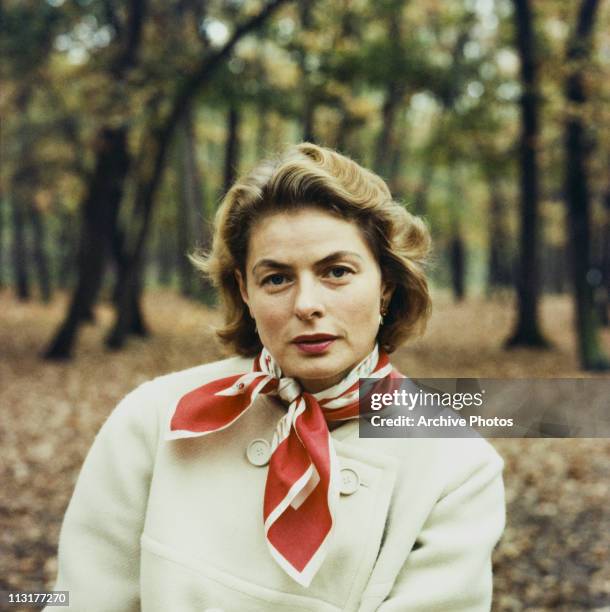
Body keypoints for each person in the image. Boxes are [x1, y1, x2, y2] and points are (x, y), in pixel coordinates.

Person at [48, 143, 505, 611]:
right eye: (277, 279)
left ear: (385, 284)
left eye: (337, 272)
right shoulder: (156, 417)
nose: (306, 303)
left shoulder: (457, 466)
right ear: (245, 290)